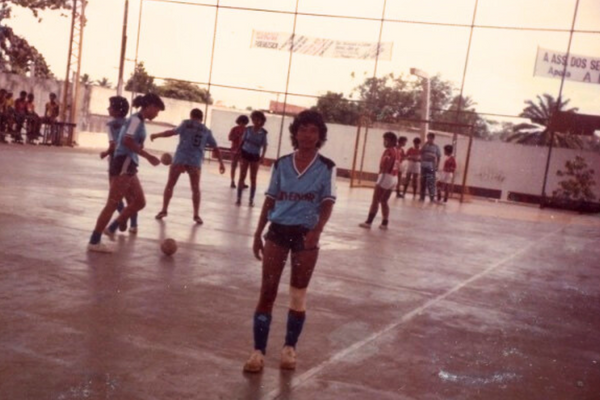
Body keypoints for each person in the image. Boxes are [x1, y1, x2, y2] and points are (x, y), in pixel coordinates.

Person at [243, 110, 336, 373]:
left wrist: (317, 230)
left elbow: (328, 202)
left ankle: (289, 348)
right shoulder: (281, 164)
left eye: (313, 131)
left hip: (306, 235)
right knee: (267, 292)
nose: (307, 135)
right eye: (303, 129)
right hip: (278, 232)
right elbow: (270, 199)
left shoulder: (326, 167)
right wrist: (258, 232)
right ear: (295, 133)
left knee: (297, 295)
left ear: (320, 136)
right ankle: (258, 351)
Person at [87, 93, 165, 253]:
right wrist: (148, 156)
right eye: (157, 110)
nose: (157, 114)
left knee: (140, 202)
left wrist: (141, 150)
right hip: (124, 161)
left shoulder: (138, 121)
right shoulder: (136, 120)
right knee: (113, 202)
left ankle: (113, 227)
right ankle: (94, 241)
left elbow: (130, 140)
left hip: (129, 162)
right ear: (150, 106)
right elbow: (126, 141)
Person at [151, 108, 226, 225]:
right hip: (194, 161)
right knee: (195, 189)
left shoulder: (186, 124)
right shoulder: (206, 130)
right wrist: (221, 163)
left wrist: (156, 135)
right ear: (201, 118)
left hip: (180, 158)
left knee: (170, 184)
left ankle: (164, 210)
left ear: (191, 116)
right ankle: (196, 215)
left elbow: (171, 132)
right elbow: (215, 148)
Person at [99, 96, 133, 231]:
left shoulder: (110, 125)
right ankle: (133, 224)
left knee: (113, 193)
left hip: (115, 160)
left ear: (117, 111)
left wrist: (105, 153)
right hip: (128, 158)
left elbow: (113, 144)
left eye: (110, 106)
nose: (108, 109)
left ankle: (122, 215)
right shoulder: (128, 122)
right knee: (129, 194)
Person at [359, 132, 398, 230]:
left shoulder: (388, 151)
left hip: (386, 176)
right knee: (384, 201)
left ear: (391, 141)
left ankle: (369, 222)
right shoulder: (397, 151)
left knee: (375, 199)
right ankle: (385, 223)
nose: (384, 142)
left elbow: (386, 163)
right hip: (394, 178)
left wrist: (382, 173)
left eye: (386, 140)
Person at [236, 110, 268, 207]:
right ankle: (238, 198)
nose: (256, 121)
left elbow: (265, 145)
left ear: (262, 120)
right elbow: (242, 141)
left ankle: (251, 200)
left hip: (255, 156)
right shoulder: (248, 129)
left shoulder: (263, 133)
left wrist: (262, 156)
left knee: (253, 178)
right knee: (242, 176)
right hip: (245, 153)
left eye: (258, 119)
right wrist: (238, 152)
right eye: (254, 119)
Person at [228, 115, 249, 189]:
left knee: (242, 167)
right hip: (236, 150)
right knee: (235, 166)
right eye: (241, 122)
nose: (242, 124)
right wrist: (236, 137)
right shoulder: (235, 129)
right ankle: (233, 181)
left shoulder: (247, 130)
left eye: (243, 123)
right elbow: (230, 137)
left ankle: (241, 182)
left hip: (242, 151)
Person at [419, 133, 441, 202]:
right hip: (424, 166)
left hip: (431, 166)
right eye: (428, 138)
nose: (429, 139)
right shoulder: (425, 146)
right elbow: (421, 153)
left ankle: (432, 198)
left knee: (431, 182)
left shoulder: (436, 147)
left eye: (430, 138)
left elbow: (439, 156)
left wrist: (437, 165)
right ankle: (422, 197)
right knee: (423, 181)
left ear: (433, 139)